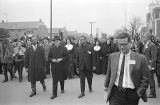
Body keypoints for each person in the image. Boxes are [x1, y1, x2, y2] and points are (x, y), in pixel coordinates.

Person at [104, 32, 150, 105]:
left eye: (124, 44)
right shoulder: (112, 57)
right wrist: (106, 87)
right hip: (115, 93)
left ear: (130, 43)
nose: (122, 47)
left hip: (132, 94)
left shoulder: (141, 58)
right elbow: (109, 73)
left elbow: (146, 79)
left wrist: (139, 93)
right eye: (120, 44)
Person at [141, 33, 157, 98]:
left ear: (147, 37)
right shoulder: (146, 44)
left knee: (151, 79)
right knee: (146, 79)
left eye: (143, 36)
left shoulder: (152, 45)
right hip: (146, 65)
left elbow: (154, 57)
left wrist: (151, 66)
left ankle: (153, 93)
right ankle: (146, 92)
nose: (142, 38)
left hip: (150, 65)